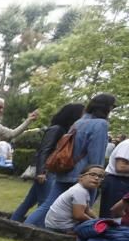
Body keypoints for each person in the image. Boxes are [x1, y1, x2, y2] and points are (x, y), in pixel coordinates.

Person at [26, 93, 116, 228]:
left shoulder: (78, 122)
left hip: (65, 170)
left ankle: (26, 227)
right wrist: (97, 175)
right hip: (84, 174)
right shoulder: (101, 124)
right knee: (84, 207)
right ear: (107, 108)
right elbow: (96, 155)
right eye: (113, 106)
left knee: (48, 205)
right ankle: (77, 236)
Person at [10, 103, 84, 223]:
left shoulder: (64, 130)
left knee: (29, 201)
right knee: (45, 203)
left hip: (48, 171)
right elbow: (44, 150)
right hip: (47, 171)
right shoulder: (57, 129)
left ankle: (14, 222)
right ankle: (34, 226)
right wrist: (41, 172)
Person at [43, 165, 104, 233]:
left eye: (100, 176)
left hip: (54, 224)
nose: (96, 178)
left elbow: (87, 210)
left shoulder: (82, 189)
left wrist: (98, 220)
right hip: (60, 227)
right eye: (92, 174)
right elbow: (78, 215)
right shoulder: (79, 191)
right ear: (81, 177)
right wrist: (94, 223)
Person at [101, 135, 129, 217]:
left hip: (122, 182)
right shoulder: (127, 145)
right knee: (111, 216)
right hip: (118, 182)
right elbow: (120, 167)